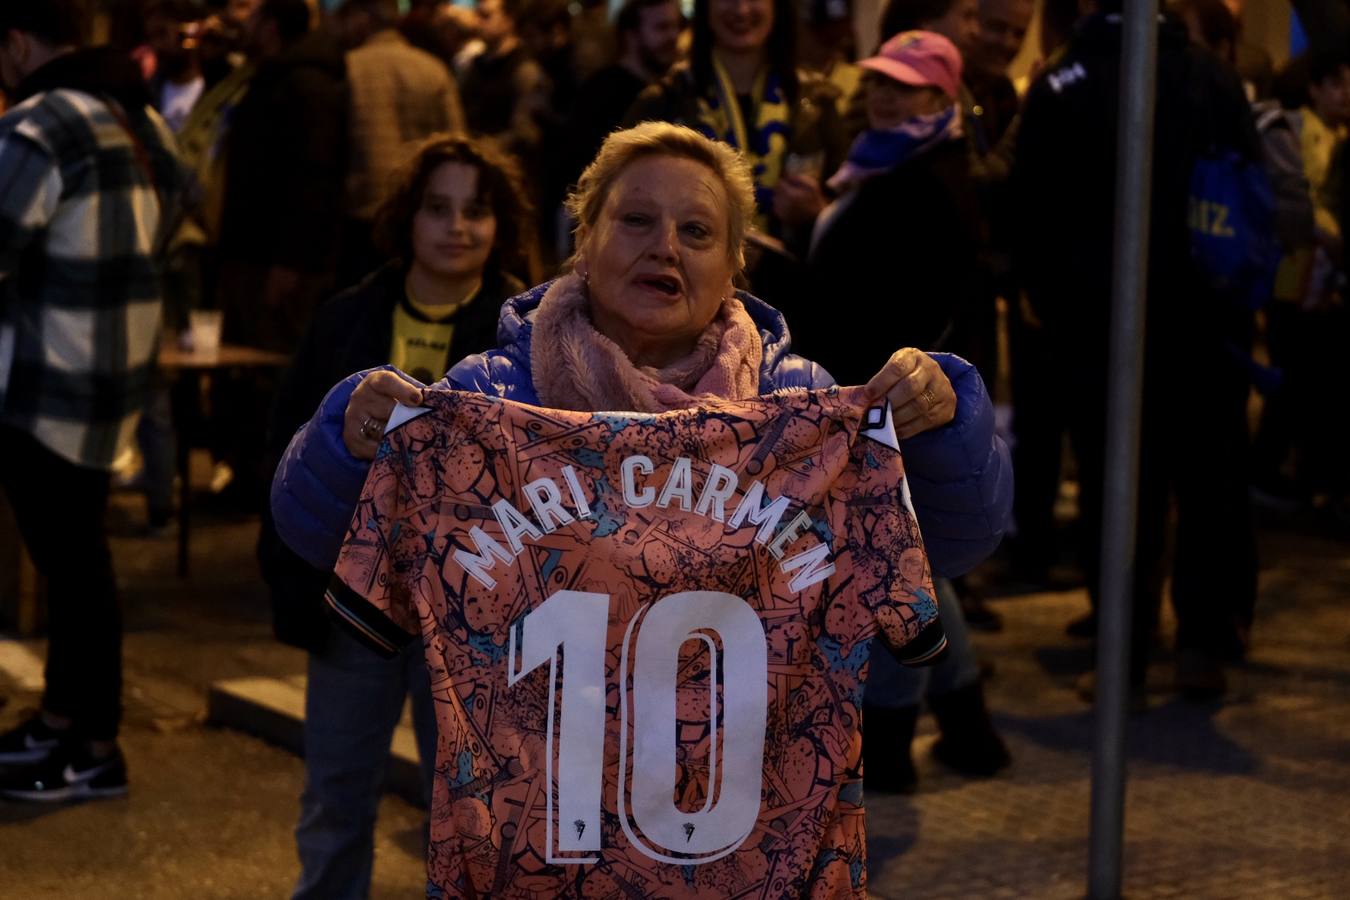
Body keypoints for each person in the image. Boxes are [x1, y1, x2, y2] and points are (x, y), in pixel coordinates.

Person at [270, 121, 1011, 893]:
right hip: (535, 867)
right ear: (583, 239)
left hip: (746, 871)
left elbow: (953, 547)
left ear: (733, 268)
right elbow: (312, 531)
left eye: (696, 230)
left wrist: (941, 428)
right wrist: (345, 436)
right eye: (635, 220)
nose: (665, 246)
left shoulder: (805, 411)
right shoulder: (483, 400)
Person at [261, 134, 534, 900]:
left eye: (476, 210)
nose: (457, 227)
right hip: (353, 601)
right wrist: (293, 578)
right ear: (405, 218)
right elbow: (288, 450)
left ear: (500, 222)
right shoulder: (347, 317)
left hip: (472, 612)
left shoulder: (535, 337)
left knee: (470, 804)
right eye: (437, 208)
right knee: (336, 792)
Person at [1012, 0, 1260, 701]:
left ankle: (1124, 649)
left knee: (1118, 487)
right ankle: (1200, 646)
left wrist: (1048, 302)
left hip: (1099, 326)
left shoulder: (1067, 80)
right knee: (1206, 484)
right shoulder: (1211, 77)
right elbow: (1250, 193)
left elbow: (1031, 208)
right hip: (1206, 321)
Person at [797, 32, 1007, 787]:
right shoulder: (885, 159)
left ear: (942, 101)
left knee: (892, 569)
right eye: (884, 81)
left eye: (910, 88)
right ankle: (969, 727)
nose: (888, 96)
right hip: (876, 396)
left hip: (889, 405)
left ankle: (889, 752)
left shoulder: (925, 178)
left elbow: (892, 300)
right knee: (921, 568)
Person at [0, 0, 185, 800]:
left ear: (15, 44)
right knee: (78, 559)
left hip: (46, 380)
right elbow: (179, 213)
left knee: (73, 566)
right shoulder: (141, 119)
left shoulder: (40, 123)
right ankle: (64, 722)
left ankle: (92, 743)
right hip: (117, 380)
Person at [624, 0, 847, 280]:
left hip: (793, 292)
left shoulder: (816, 101)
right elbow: (622, 206)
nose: (741, 10)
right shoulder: (663, 102)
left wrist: (819, 213)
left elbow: (851, 224)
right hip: (683, 286)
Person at [339, 0, 466, 286]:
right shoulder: (432, 68)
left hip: (361, 210)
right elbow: (456, 142)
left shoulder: (349, 67)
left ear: (363, 19)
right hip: (418, 206)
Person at [561, 0, 683, 229]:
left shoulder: (676, 92)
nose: (674, 36)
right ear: (631, 35)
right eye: (662, 28)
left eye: (677, 27)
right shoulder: (600, 92)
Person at [458, 0, 546, 159]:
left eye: (486, 16)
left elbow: (525, 132)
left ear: (509, 19)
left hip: (504, 167)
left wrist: (481, 148)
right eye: (477, 15)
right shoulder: (476, 64)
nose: (477, 22)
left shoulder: (525, 69)